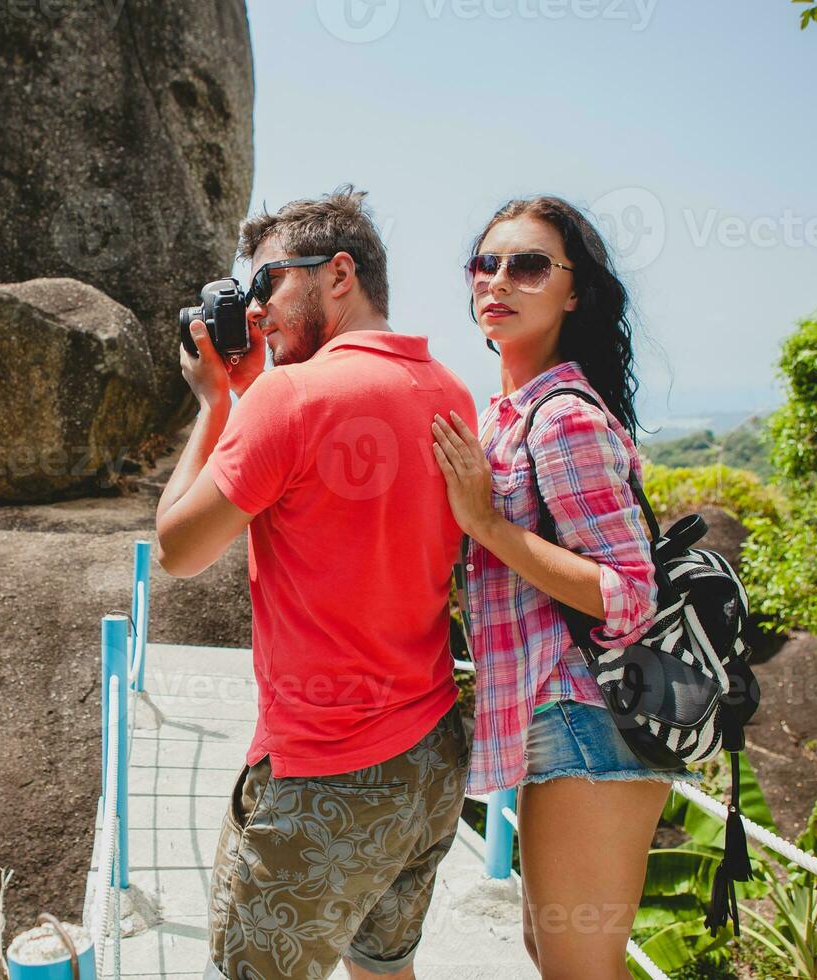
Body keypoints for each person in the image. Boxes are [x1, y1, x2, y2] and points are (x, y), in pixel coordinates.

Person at [155, 186, 476, 980]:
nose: (255, 311)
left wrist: (216, 402)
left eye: (267, 283)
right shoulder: (450, 390)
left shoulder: (285, 399)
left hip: (324, 777)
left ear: (339, 274)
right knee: (384, 968)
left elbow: (178, 547)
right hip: (430, 761)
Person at [431, 195, 701, 979]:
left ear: (573, 292)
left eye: (529, 265)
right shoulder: (508, 415)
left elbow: (627, 594)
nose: (499, 281)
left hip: (593, 720)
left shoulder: (561, 418)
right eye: (486, 263)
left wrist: (486, 525)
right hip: (561, 721)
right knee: (555, 953)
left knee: (578, 966)